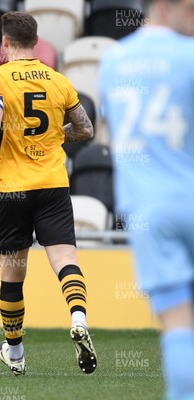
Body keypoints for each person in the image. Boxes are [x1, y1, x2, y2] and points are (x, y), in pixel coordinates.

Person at [0, 12, 97, 376]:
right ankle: (78, 318)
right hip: (52, 184)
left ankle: (16, 353)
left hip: (10, 190)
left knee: (12, 275)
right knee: (65, 259)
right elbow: (86, 128)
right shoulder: (59, 81)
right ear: (36, 42)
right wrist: (55, 133)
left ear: (4, 43)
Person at [99, 0, 194, 397]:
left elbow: (110, 128)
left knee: (177, 322)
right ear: (165, 7)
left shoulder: (112, 61)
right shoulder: (188, 55)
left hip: (148, 209)